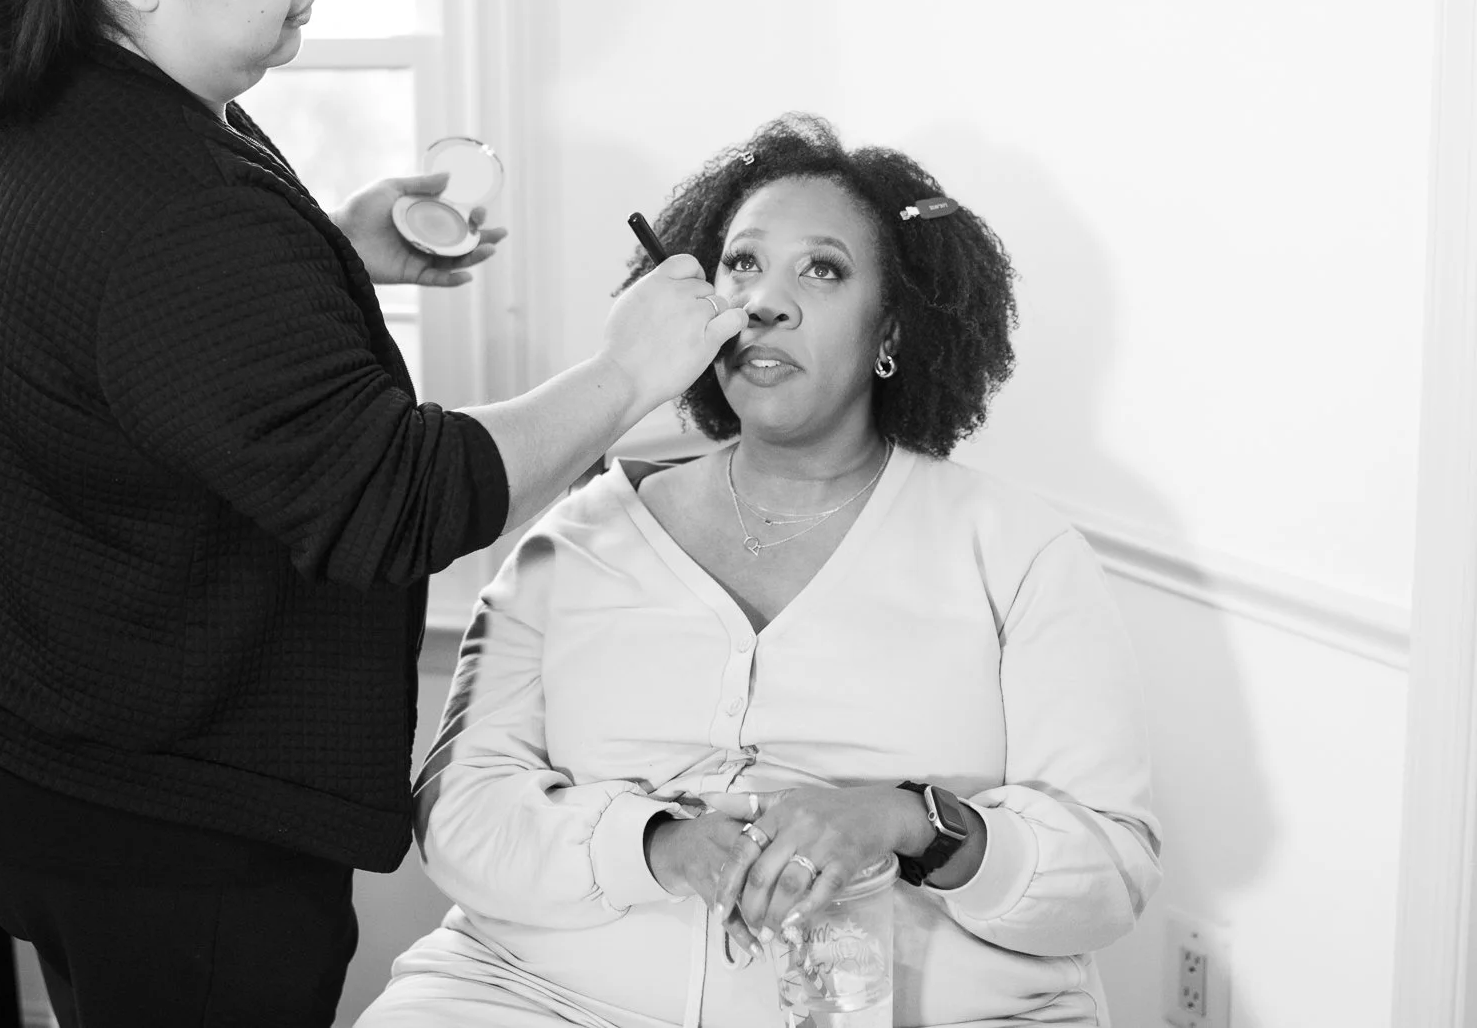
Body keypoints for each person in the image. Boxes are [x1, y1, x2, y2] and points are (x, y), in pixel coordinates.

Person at [0, 0, 747, 1028]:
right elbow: (399, 498)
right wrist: (628, 370)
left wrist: (332, 250)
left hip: (5, 739)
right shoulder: (170, 208)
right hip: (153, 821)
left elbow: (139, 346)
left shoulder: (40, 93)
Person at [358, 116, 1161, 1028]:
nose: (765, 302)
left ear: (892, 327)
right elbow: (461, 815)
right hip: (535, 998)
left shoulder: (1015, 551)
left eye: (822, 270)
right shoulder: (576, 540)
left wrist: (911, 821)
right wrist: (653, 846)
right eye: (742, 264)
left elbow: (1108, 874)